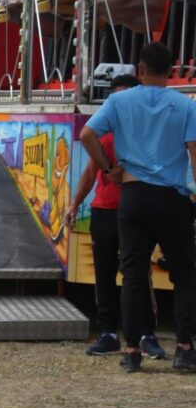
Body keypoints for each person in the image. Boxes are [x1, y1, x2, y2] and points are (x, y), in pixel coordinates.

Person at [81, 42, 196, 373]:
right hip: (171, 198)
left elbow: (88, 135)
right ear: (172, 71)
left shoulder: (119, 100)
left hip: (131, 195)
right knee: (185, 273)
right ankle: (185, 347)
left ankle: (131, 350)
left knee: (132, 273)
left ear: (140, 70)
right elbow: (193, 150)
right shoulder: (184, 105)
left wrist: (107, 169)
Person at [67, 75, 163, 358]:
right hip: (105, 211)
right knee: (104, 274)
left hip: (136, 211)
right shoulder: (104, 135)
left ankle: (146, 334)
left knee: (138, 274)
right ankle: (108, 332)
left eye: (127, 96)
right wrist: (74, 204)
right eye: (116, 98)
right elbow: (89, 173)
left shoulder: (148, 135)